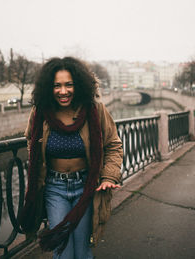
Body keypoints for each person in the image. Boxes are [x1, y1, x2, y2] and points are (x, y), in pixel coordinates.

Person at [19, 56, 123, 259]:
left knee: (83, 250)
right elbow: (31, 139)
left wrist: (109, 176)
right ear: (49, 87)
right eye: (57, 86)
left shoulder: (94, 110)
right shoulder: (40, 112)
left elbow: (113, 145)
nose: (63, 91)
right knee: (62, 250)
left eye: (69, 85)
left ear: (79, 85)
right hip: (54, 189)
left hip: (86, 186)